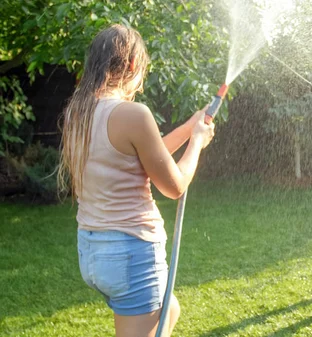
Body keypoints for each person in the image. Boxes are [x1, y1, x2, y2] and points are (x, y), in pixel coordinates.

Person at [57, 24, 214, 337]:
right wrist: (197, 142)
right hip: (130, 253)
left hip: (92, 251)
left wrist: (188, 127)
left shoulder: (79, 112)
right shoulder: (132, 114)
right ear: (131, 65)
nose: (141, 82)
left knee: (169, 309)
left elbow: (140, 159)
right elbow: (174, 186)